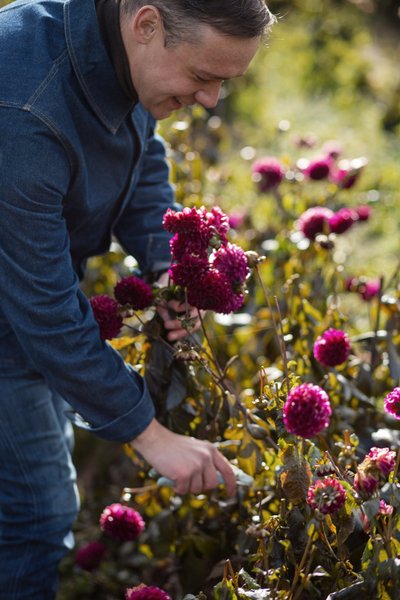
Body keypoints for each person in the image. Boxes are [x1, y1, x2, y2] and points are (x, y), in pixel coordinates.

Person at [0, 0, 275, 597]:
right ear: (146, 24)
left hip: (24, 291)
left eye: (225, 83)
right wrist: (152, 437)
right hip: (10, 317)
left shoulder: (110, 48)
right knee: (34, 516)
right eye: (204, 77)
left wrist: (168, 266)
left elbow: (142, 158)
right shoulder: (23, 114)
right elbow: (42, 311)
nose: (210, 101)